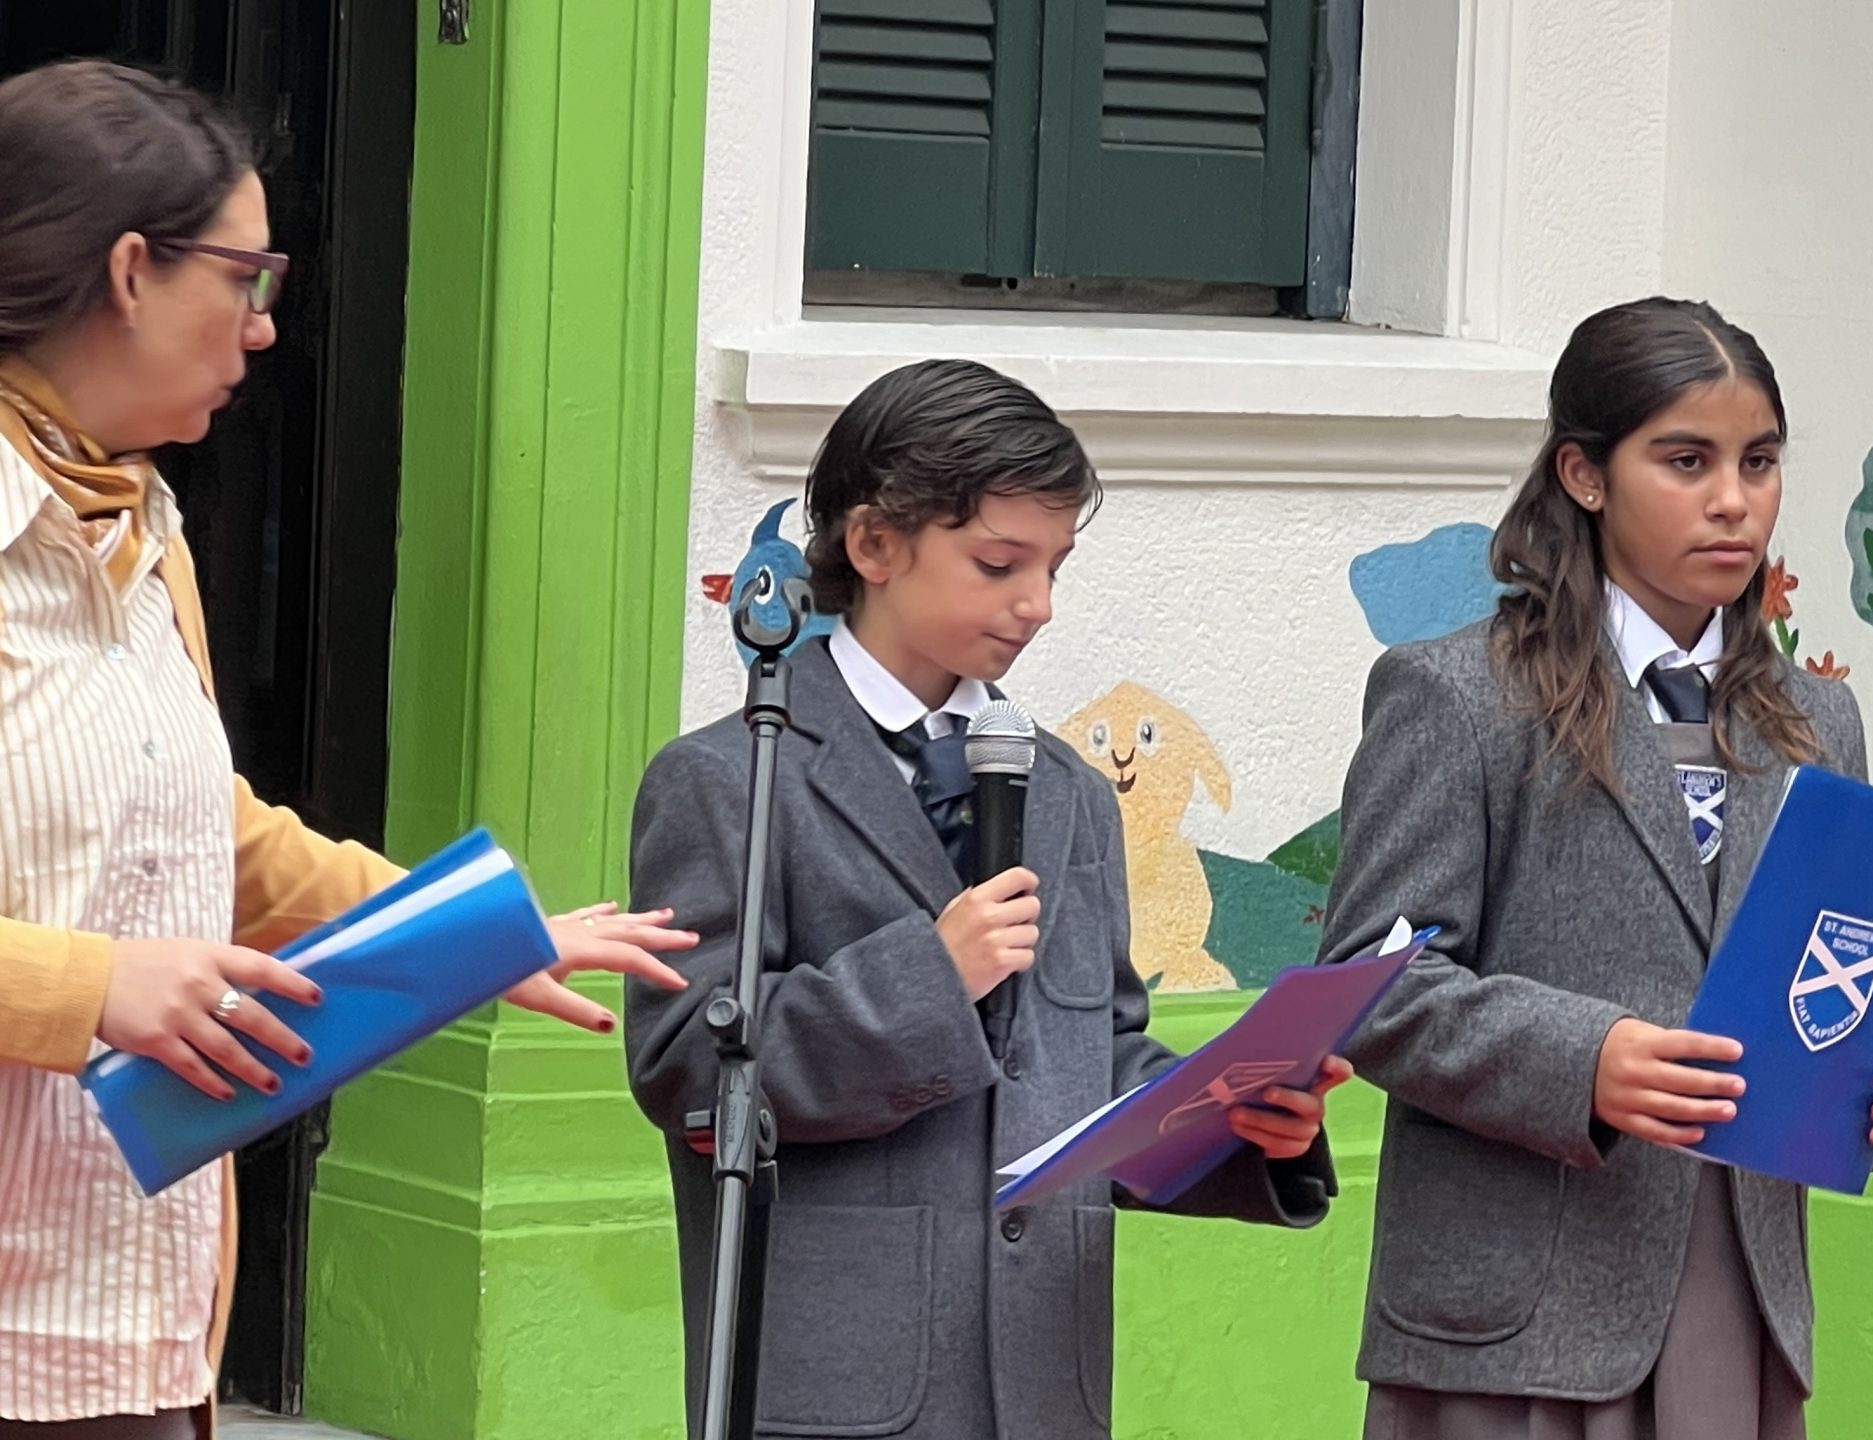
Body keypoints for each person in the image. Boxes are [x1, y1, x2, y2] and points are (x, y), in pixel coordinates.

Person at [0, 60, 696, 1438]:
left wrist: (476, 936)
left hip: (125, 1319)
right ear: (131, 272)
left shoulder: (140, 528)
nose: (266, 326)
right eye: (246, 278)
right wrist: (92, 986)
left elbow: (209, 832)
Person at [624, 358, 1347, 1440]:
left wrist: (1243, 1128)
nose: (1038, 605)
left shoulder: (1070, 794)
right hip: (837, 1385)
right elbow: (689, 1069)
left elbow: (1092, 1058)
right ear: (874, 545)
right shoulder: (730, 778)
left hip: (1043, 1381)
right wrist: (932, 974)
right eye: (1000, 564)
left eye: (1056, 567)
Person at [1319, 297, 1873, 1439]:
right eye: (1685, 460)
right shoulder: (1457, 697)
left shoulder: (1822, 721)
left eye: (1759, 461)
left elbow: (1827, 985)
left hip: (1740, 1306)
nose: (1733, 500)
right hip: (1514, 1326)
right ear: (1584, 475)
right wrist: (1585, 1062)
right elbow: (1371, 988)